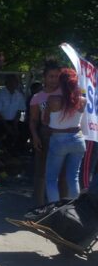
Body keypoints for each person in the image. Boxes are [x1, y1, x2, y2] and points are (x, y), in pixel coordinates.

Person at [44, 68, 86, 202]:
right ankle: (75, 213)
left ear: (60, 83)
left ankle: (54, 213)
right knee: (73, 178)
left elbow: (45, 121)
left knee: (51, 179)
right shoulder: (82, 100)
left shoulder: (52, 99)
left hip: (59, 139)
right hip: (78, 139)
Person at [30, 61, 69, 205]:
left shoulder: (66, 94)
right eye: (51, 76)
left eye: (57, 77)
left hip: (63, 135)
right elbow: (33, 120)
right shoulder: (37, 97)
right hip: (45, 135)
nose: (54, 80)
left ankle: (62, 208)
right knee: (41, 173)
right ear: (44, 78)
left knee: (63, 174)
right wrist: (34, 136)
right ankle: (39, 207)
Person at [0, 74, 26, 153]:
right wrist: (7, 126)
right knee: (0, 131)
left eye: (15, 82)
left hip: (14, 121)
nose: (13, 84)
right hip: (0, 121)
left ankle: (16, 153)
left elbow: (19, 111)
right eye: (11, 82)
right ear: (6, 83)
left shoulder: (19, 95)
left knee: (24, 130)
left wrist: (15, 125)